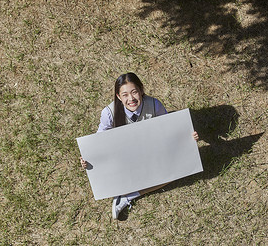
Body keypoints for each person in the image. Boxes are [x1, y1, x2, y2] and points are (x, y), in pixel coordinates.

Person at [80, 72, 199, 220]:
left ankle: (128, 196)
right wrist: (88, 158)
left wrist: (189, 137)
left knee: (175, 171)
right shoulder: (109, 113)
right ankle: (123, 190)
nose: (131, 99)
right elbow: (98, 142)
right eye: (125, 95)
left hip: (151, 152)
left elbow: (170, 129)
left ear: (141, 90)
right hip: (123, 157)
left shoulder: (154, 104)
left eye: (134, 92)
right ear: (118, 96)